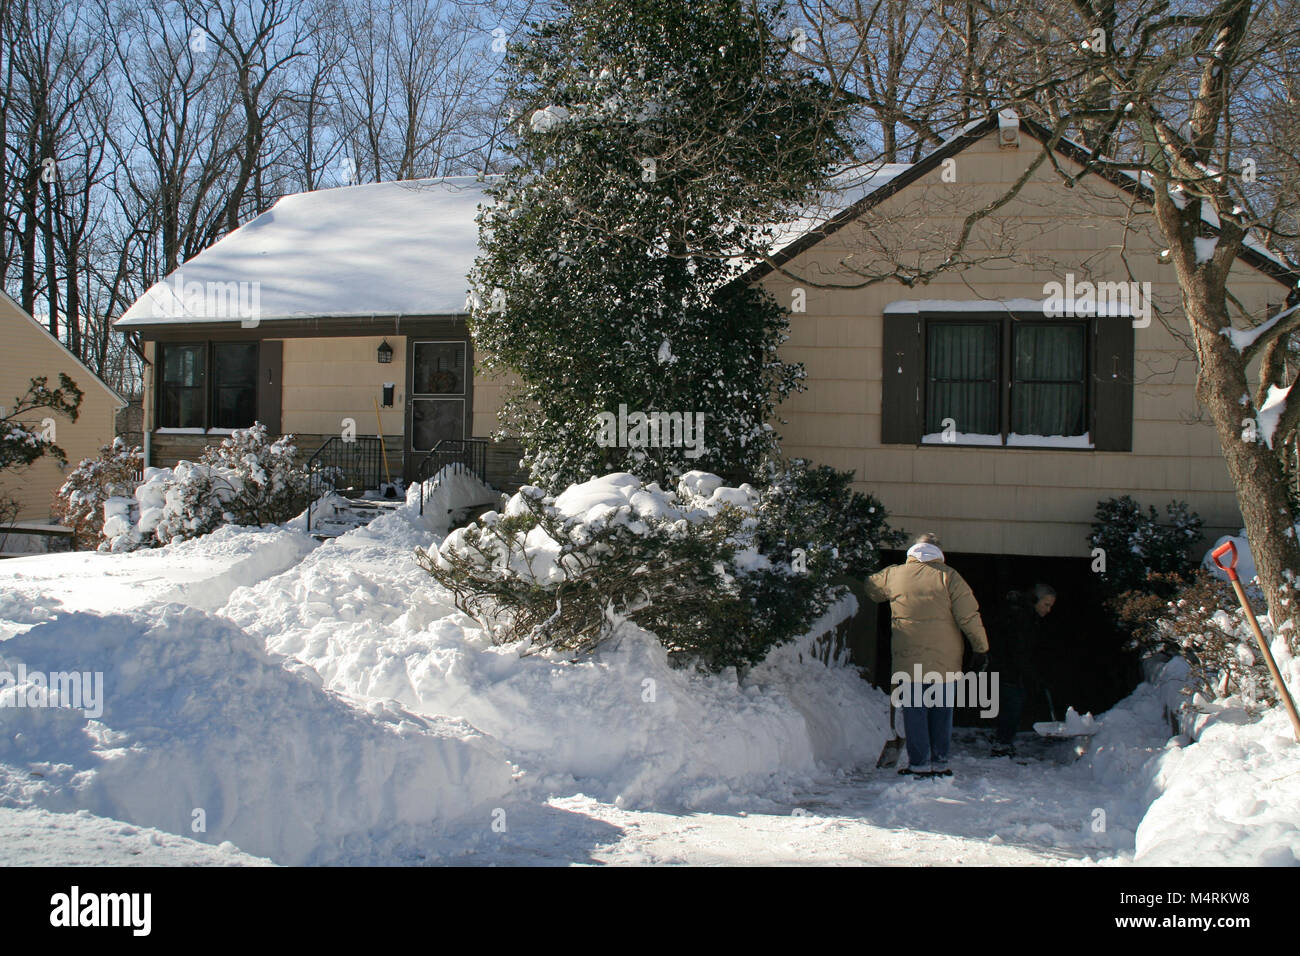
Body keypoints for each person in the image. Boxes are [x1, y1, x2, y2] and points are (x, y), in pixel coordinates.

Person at [864, 533, 989, 778]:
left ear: (912, 551)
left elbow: (871, 588)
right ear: (939, 554)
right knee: (941, 711)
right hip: (946, 661)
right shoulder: (950, 577)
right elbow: (969, 617)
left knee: (915, 711)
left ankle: (919, 764)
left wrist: (890, 569)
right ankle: (940, 763)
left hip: (909, 659)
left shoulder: (895, 575)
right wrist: (981, 648)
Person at [989, 583, 1056, 757]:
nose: (1048, 610)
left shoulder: (1028, 616)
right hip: (1006, 667)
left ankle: (1003, 740)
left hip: (1011, 667)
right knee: (1013, 703)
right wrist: (1033, 675)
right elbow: (1018, 650)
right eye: (1046, 604)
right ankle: (1001, 744)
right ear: (1035, 600)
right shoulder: (1021, 617)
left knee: (1014, 702)